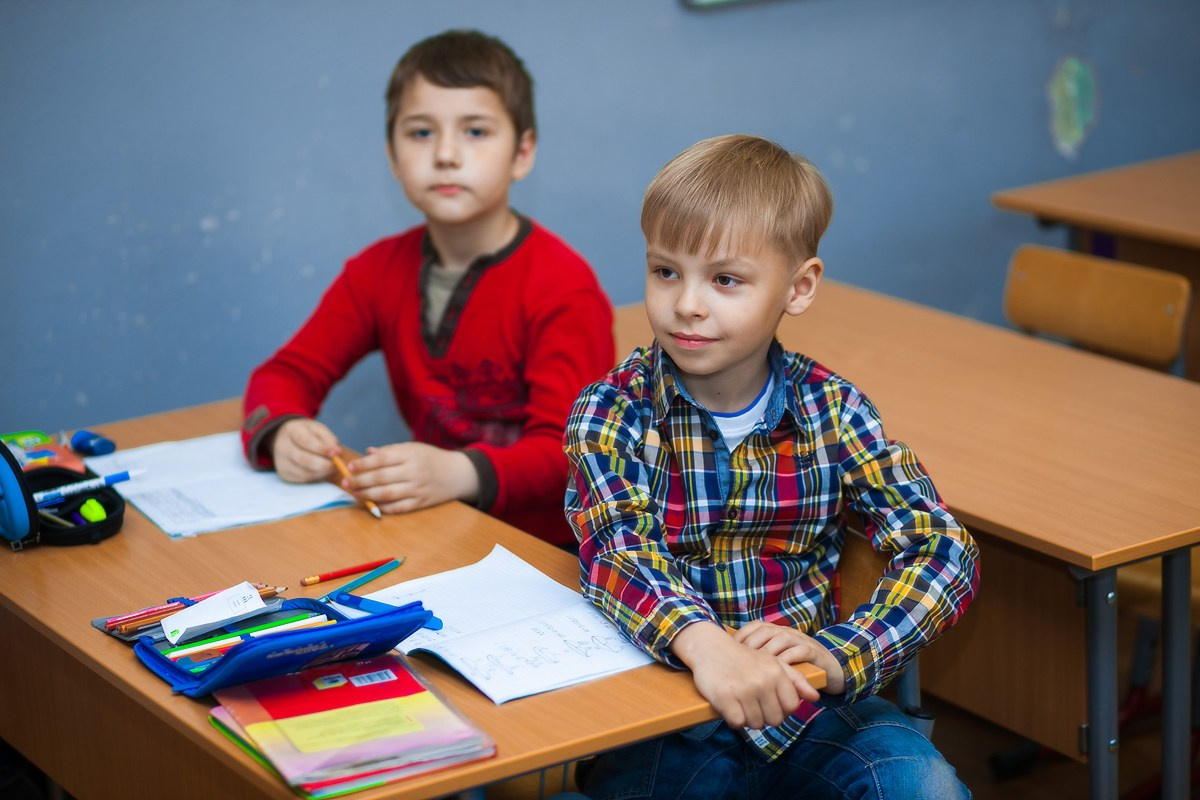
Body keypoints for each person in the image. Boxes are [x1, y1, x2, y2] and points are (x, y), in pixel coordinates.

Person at [563, 134, 979, 799]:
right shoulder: (613, 411)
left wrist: (844, 653)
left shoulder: (833, 409)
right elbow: (617, 550)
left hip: (811, 710)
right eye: (666, 271)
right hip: (669, 715)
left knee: (922, 785)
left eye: (724, 279)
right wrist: (705, 643)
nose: (687, 303)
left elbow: (943, 548)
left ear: (799, 287)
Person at [242, 30, 614, 547]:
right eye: (420, 133)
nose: (445, 154)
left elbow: (574, 454)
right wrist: (284, 431)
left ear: (522, 152)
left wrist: (458, 474)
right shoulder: (374, 272)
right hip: (437, 534)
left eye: (476, 131)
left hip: (551, 555)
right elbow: (283, 374)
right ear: (392, 156)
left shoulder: (562, 287)